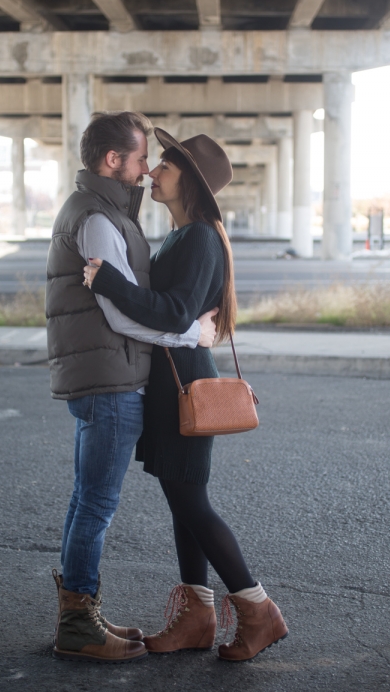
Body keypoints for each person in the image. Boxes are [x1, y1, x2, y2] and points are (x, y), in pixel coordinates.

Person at [84, 127, 288, 662]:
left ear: (189, 182)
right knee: (182, 501)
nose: (151, 173)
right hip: (171, 381)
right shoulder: (180, 236)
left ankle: (258, 608)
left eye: (164, 167)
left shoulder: (198, 237)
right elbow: (174, 312)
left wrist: (107, 280)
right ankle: (197, 617)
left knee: (192, 501)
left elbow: (175, 314)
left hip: (186, 383)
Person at [46, 112, 218, 663]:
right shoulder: (96, 218)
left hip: (108, 376)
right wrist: (193, 331)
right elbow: (120, 317)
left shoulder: (106, 213)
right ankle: (79, 625)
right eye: (142, 158)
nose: (147, 171)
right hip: (111, 379)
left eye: (154, 161)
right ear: (112, 161)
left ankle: (81, 614)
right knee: (96, 503)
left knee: (87, 501)